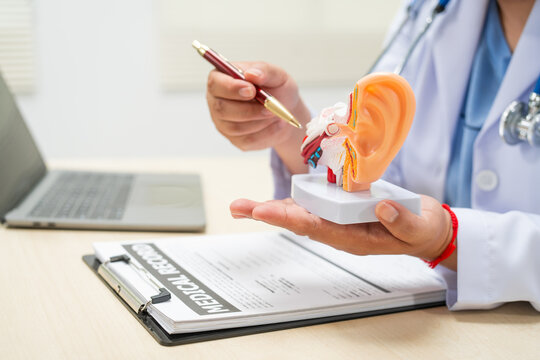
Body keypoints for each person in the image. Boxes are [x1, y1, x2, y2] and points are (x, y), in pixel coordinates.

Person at [205, 0, 540, 311]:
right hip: (417, 304)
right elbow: (376, 165)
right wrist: (289, 131)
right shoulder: (434, 9)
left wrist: (448, 240)